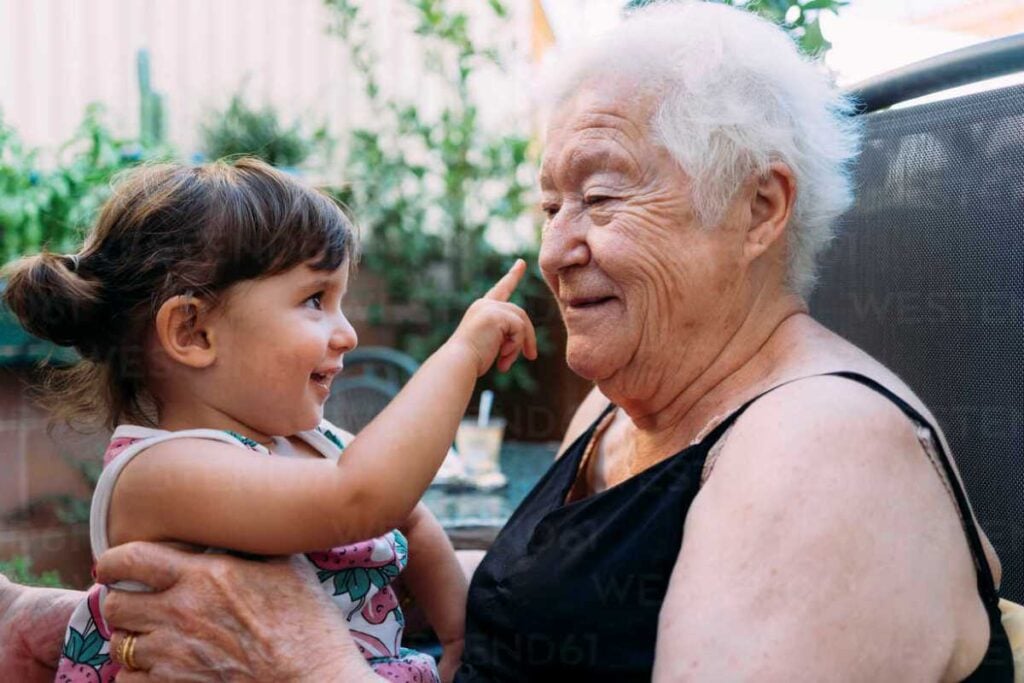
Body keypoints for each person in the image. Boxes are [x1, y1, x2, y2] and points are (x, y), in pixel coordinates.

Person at [3, 2, 1019, 681]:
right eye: (548, 201)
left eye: (603, 195)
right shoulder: (630, 402)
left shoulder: (822, 455)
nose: (554, 245)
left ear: (757, 209)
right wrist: (79, 618)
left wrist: (308, 658)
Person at [0, 158, 536, 683]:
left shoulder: (313, 442)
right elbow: (366, 500)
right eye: (314, 300)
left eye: (340, 301)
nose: (346, 332)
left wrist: (461, 638)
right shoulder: (159, 473)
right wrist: (461, 356)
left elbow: (412, 521)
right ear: (193, 332)